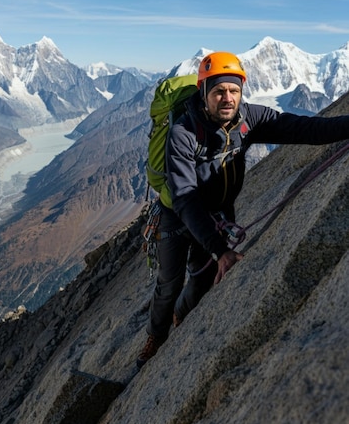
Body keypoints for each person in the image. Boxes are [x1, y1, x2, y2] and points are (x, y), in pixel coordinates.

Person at [137, 51, 349, 369]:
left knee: (202, 278)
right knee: (169, 282)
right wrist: (219, 248)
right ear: (203, 92)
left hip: (219, 212)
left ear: (241, 92)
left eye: (234, 90)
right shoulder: (182, 134)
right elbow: (184, 198)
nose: (227, 98)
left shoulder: (250, 118)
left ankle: (183, 316)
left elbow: (305, 129)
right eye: (219, 91)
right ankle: (156, 336)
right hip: (178, 214)